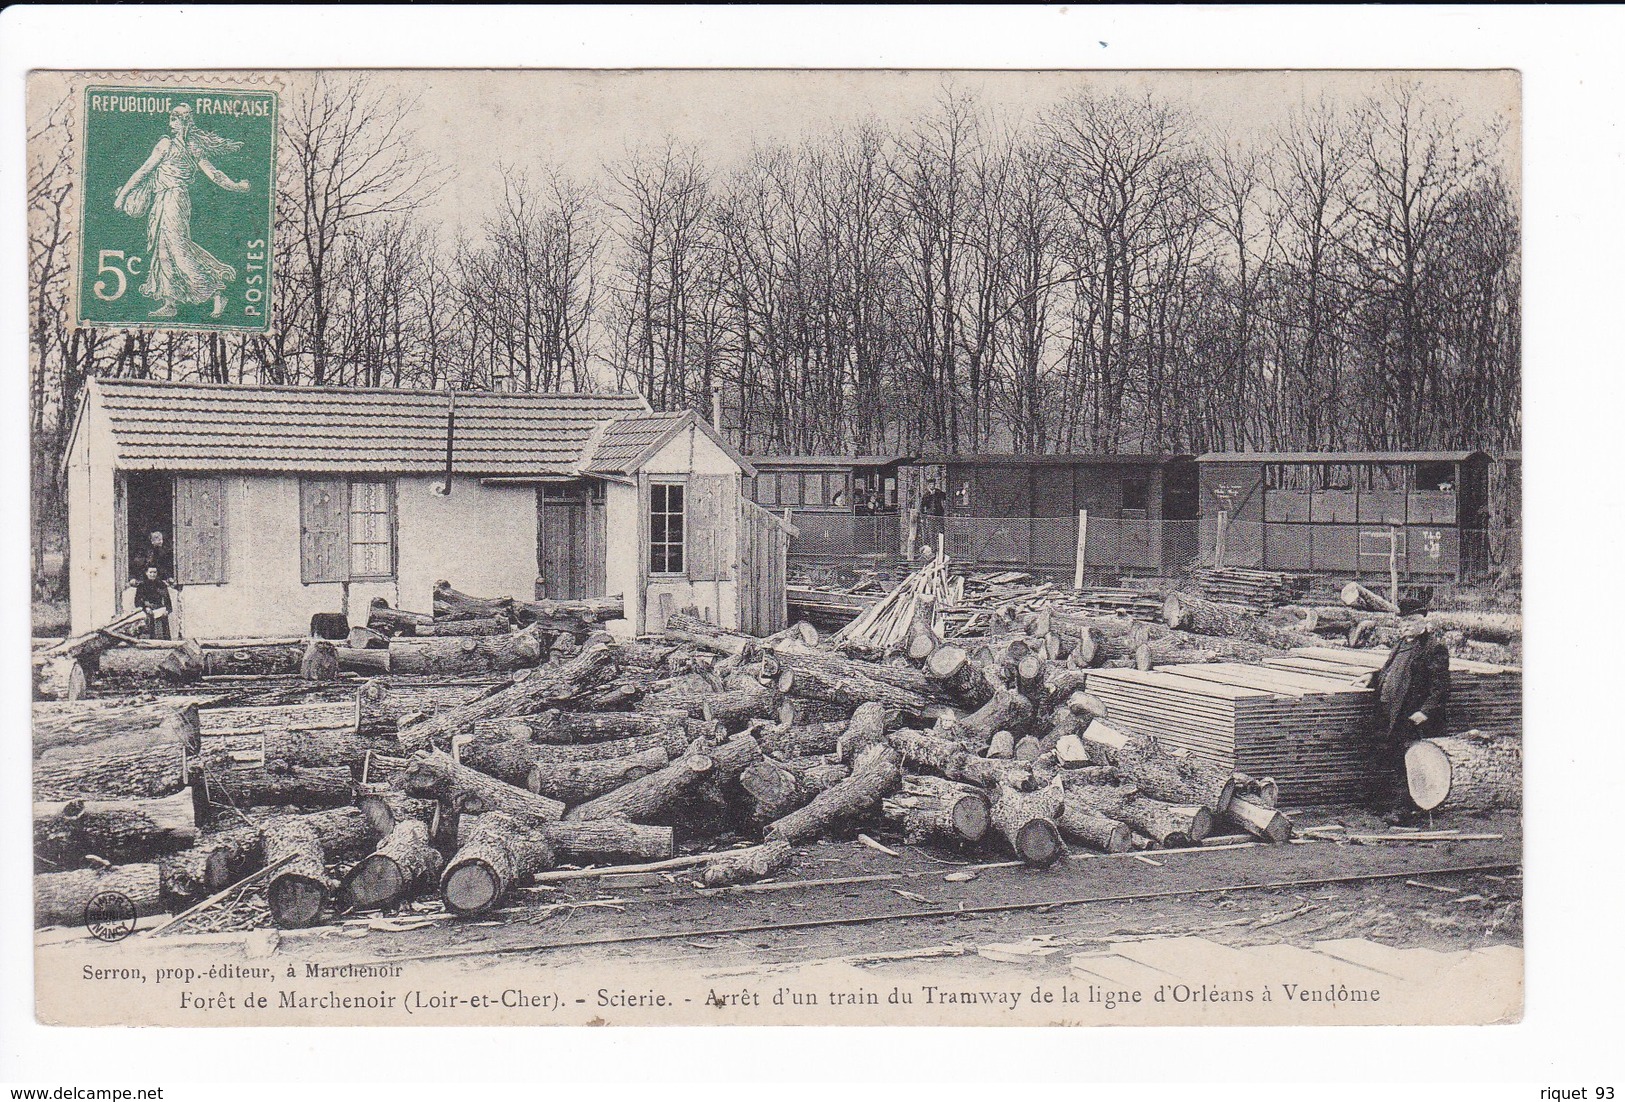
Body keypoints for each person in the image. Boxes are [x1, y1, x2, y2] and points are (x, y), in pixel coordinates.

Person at [114, 103, 252, 319]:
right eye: (175, 117)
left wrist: (236, 186)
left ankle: (215, 291)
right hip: (164, 199)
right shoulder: (173, 144)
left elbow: (213, 174)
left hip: (174, 199)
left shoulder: (183, 145)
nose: (175, 121)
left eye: (178, 117)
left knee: (178, 249)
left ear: (182, 121)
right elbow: (145, 170)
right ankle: (170, 302)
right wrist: (235, 186)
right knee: (163, 249)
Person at [1366, 615, 1451, 820]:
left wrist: (1426, 711)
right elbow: (1390, 671)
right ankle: (1387, 805)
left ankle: (1403, 810)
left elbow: (1440, 685)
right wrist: (1372, 676)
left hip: (1411, 714)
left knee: (1407, 759)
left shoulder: (1433, 648)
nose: (1406, 626)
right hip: (1390, 710)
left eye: (1411, 622)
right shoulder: (1401, 644)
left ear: (1423, 623)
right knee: (1388, 756)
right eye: (1403, 622)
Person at [132, 565, 173, 640]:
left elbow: (167, 600)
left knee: (163, 620)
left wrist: (167, 610)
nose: (153, 574)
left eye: (155, 572)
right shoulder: (141, 585)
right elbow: (137, 601)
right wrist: (145, 608)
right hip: (147, 609)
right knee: (148, 620)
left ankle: (164, 641)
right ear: (146, 573)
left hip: (159, 609)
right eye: (150, 572)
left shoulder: (161, 585)